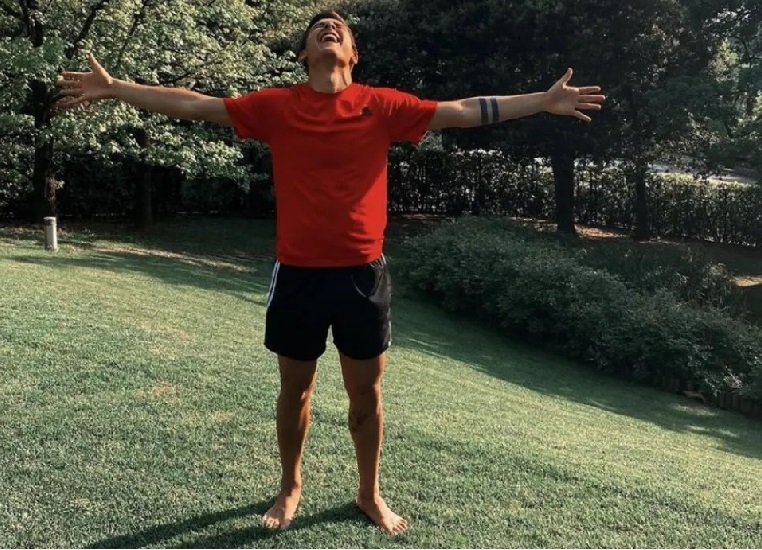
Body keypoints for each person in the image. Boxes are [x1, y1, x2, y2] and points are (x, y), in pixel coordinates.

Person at [56, 9, 605, 536]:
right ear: (304, 54)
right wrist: (118, 88)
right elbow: (197, 105)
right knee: (295, 391)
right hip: (298, 275)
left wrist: (541, 102)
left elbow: (462, 110)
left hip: (363, 277)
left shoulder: (381, 105)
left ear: (353, 54)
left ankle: (369, 493)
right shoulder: (277, 106)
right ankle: (289, 487)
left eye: (339, 27)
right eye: (319, 26)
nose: (330, 27)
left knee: (365, 395)